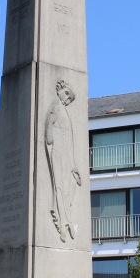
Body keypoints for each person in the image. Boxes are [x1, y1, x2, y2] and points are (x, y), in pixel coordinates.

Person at [45, 79, 82, 242]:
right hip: (58, 153)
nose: (67, 100)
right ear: (61, 91)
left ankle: (67, 220)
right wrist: (54, 145)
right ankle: (63, 223)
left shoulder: (64, 110)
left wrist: (74, 165)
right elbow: (48, 133)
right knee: (59, 187)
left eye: (70, 98)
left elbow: (70, 141)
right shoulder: (55, 107)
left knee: (67, 188)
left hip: (66, 155)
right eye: (67, 95)